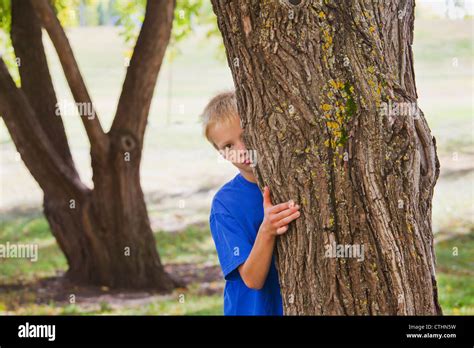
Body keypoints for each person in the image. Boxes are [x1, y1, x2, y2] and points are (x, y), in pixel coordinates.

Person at [200, 91, 301, 315]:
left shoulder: (295, 182)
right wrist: (267, 230)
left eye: (245, 136)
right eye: (228, 146)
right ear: (221, 154)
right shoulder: (225, 204)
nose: (241, 150)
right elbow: (252, 279)